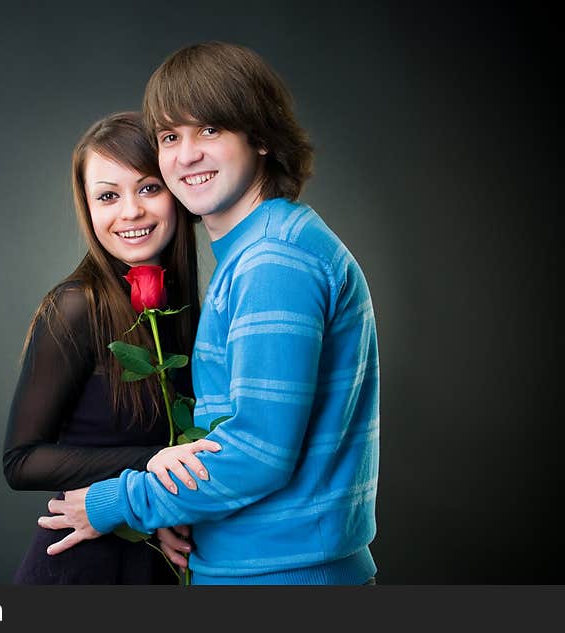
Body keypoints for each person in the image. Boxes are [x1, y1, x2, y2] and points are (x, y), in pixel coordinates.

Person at [38, 42, 380, 585]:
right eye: (170, 137)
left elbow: (258, 454)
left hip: (282, 577)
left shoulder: (273, 261)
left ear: (261, 138)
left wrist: (113, 502)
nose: (186, 155)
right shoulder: (264, 249)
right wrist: (178, 509)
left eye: (211, 130)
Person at [3, 111, 221, 584]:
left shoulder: (187, 309)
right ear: (88, 208)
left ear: (176, 190)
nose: (130, 212)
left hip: (148, 553)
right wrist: (150, 463)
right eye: (107, 196)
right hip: (81, 571)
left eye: (148, 188)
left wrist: (152, 514)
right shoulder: (76, 306)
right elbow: (21, 461)